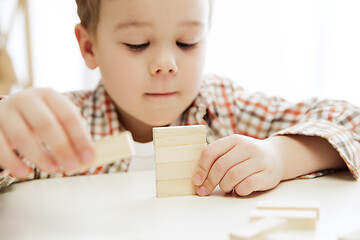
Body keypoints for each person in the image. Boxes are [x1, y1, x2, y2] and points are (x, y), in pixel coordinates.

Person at [0, 0, 359, 196]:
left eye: (187, 42)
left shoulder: (224, 107)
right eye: (137, 44)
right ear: (89, 46)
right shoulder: (62, 126)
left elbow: (351, 121)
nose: (166, 64)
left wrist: (280, 155)